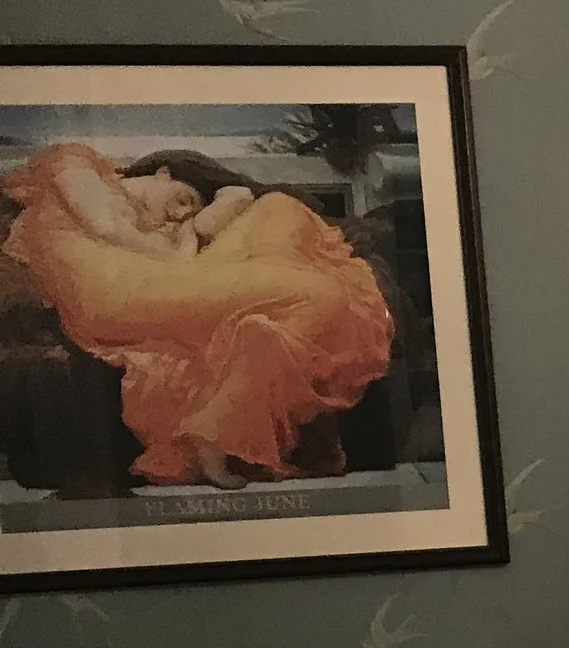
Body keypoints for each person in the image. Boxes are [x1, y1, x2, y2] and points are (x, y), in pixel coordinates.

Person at [1, 142, 394, 490]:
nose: (181, 213)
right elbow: (108, 227)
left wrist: (211, 217)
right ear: (162, 173)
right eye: (186, 197)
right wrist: (186, 241)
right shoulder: (75, 161)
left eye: (190, 210)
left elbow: (175, 252)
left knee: (279, 214)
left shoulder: (160, 227)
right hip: (118, 293)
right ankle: (216, 430)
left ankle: (226, 405)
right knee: (317, 294)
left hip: (151, 286)